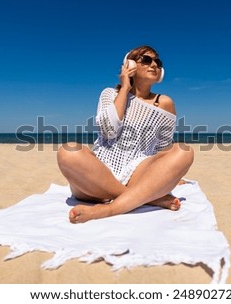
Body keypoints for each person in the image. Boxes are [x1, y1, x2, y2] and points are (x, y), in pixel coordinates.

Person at [57, 45, 194, 223]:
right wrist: (124, 88)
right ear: (130, 64)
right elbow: (108, 130)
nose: (154, 65)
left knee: (184, 151)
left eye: (157, 62)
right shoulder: (109, 94)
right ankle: (149, 198)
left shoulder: (165, 102)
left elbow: (163, 147)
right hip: (98, 174)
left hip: (137, 172)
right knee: (68, 151)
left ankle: (109, 209)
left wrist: (171, 174)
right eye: (146, 60)